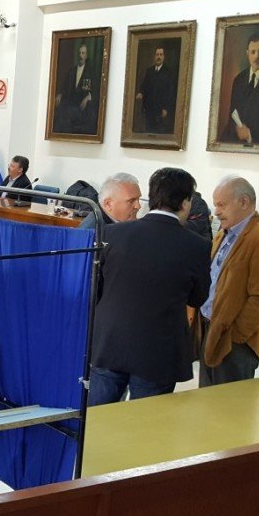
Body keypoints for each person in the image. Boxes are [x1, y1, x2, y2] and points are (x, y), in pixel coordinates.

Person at [87, 167, 210, 405]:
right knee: (145, 421)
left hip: (110, 341)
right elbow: (198, 298)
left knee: (98, 416)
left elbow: (96, 285)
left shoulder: (112, 233)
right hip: (158, 350)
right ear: (185, 202)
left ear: (151, 198)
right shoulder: (197, 246)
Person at [199, 175, 259, 386]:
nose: (216, 211)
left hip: (234, 341)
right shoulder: (223, 233)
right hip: (211, 330)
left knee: (229, 404)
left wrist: (235, 336)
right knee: (206, 400)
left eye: (222, 205)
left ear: (244, 202)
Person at [54, 42, 99, 135]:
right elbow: (64, 87)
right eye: (79, 53)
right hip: (70, 104)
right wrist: (60, 94)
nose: (80, 56)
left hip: (82, 106)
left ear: (86, 55)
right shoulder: (71, 71)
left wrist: (88, 97)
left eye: (83, 53)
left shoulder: (91, 72)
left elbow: (95, 89)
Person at [136, 46, 175, 134]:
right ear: (154, 56)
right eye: (157, 55)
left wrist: (166, 108)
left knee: (158, 132)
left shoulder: (168, 72)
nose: (159, 57)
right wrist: (141, 93)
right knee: (148, 130)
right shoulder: (149, 71)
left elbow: (170, 93)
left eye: (161, 55)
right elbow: (144, 85)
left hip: (160, 109)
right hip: (149, 108)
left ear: (164, 57)